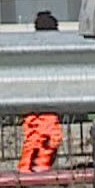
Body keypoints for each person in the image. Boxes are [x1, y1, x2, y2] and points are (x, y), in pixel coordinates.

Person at [19, 11, 64, 173]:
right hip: (44, 104)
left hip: (34, 102)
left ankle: (30, 173)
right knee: (46, 137)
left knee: (38, 138)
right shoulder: (53, 50)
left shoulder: (31, 49)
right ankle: (34, 173)